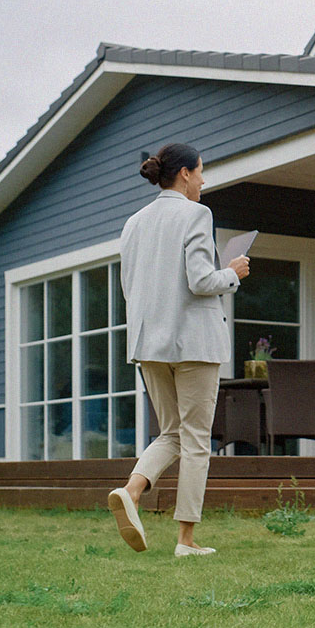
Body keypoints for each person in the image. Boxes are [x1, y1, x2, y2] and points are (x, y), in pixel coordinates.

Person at [107, 143, 250, 557]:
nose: (204, 180)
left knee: (171, 432)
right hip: (193, 343)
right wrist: (233, 272)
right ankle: (186, 541)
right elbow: (202, 280)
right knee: (195, 440)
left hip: (148, 343)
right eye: (202, 172)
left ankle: (131, 492)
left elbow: (128, 285)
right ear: (184, 173)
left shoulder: (133, 222)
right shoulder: (196, 214)